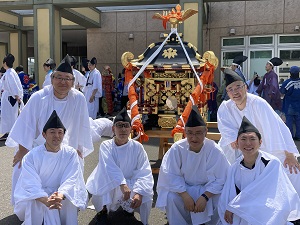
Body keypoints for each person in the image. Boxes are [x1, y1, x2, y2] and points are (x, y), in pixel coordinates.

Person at [6, 54, 93, 205]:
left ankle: (64, 202)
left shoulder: (78, 98)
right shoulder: (39, 97)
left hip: (63, 144)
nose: (63, 82)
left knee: (76, 163)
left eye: (67, 79)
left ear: (73, 82)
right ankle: (30, 206)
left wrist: (78, 148)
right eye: (59, 77)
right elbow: (26, 124)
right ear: (52, 79)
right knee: (22, 165)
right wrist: (22, 150)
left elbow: (82, 125)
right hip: (37, 144)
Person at [217, 68, 300, 196]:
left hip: (266, 146)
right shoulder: (225, 108)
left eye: (238, 87)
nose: (235, 92)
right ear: (227, 92)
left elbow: (278, 127)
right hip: (241, 148)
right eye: (231, 89)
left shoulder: (258, 104)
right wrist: (234, 139)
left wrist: (289, 153)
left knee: (290, 170)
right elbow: (226, 129)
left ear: (245, 87)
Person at [218, 116, 300, 225]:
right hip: (242, 210)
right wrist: (229, 207)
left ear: (260, 142)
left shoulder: (271, 163)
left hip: (267, 208)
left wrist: (234, 206)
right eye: (243, 139)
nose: (248, 143)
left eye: (252, 139)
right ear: (237, 143)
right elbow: (227, 194)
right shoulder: (234, 168)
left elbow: (262, 190)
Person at [156, 105, 230, 225]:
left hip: (207, 190)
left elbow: (221, 178)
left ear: (205, 132)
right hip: (183, 189)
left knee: (222, 197)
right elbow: (170, 175)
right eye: (190, 133)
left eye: (198, 133)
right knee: (171, 197)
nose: (194, 138)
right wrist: (185, 195)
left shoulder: (214, 150)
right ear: (185, 132)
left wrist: (205, 196)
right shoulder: (177, 149)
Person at [14, 110, 88, 225]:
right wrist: (45, 199)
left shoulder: (70, 153)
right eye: (52, 132)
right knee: (34, 199)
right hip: (39, 192)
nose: (56, 136)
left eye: (60, 132)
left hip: (61, 192)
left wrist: (60, 194)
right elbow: (30, 182)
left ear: (64, 134)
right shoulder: (32, 156)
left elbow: (71, 177)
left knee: (69, 200)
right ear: (44, 135)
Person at [86, 107, 154, 225]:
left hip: (130, 183)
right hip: (111, 181)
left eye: (125, 126)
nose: (123, 129)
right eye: (119, 125)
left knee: (144, 190)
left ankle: (129, 211)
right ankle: (103, 211)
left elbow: (144, 171)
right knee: (105, 179)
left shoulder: (137, 147)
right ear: (113, 128)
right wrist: (122, 184)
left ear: (130, 129)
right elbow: (110, 167)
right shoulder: (106, 145)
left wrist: (139, 192)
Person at [0, 53, 23, 141]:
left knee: (9, 116)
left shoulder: (10, 73)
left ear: (5, 63)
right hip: (9, 97)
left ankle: (10, 133)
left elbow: (13, 86)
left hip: (10, 97)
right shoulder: (10, 72)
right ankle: (9, 132)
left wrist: (16, 96)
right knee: (9, 115)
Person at [280, 66, 300, 141]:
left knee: (289, 122)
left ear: (290, 73)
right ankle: (298, 136)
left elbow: (282, 91)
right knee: (298, 121)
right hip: (299, 105)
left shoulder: (287, 82)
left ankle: (290, 136)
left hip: (289, 105)